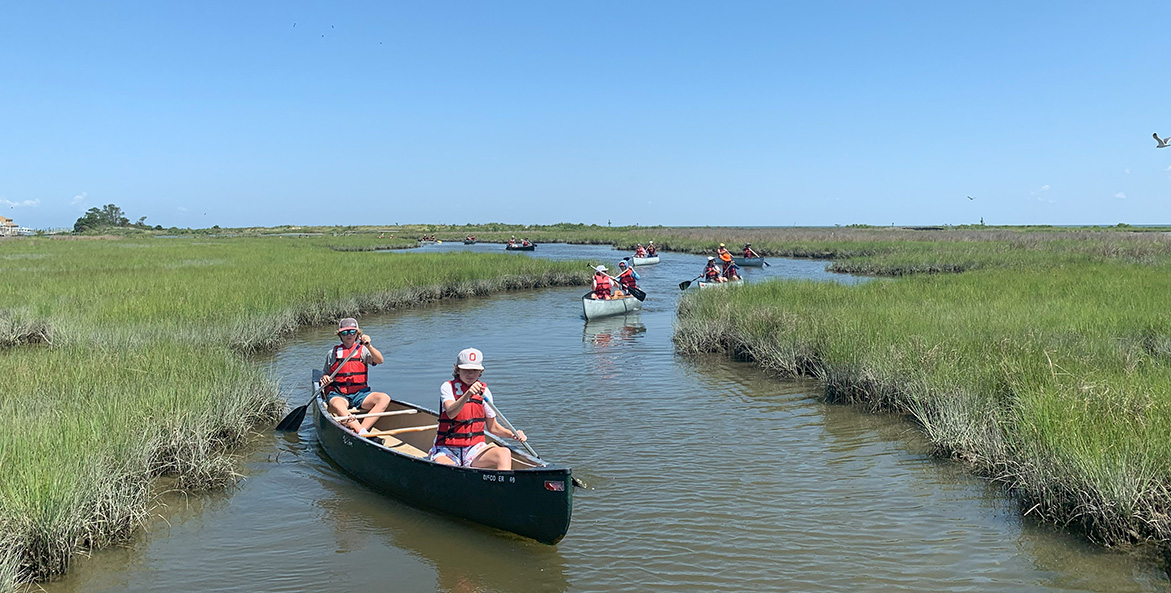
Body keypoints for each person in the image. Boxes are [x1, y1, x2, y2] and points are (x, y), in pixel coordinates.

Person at [430, 348, 527, 469]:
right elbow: (450, 412)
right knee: (445, 467)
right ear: (457, 369)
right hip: (448, 448)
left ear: (480, 372)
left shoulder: (485, 392)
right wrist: (468, 394)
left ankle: (502, 485)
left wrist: (513, 434)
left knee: (504, 453)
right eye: (466, 370)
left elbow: (493, 428)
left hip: (474, 448)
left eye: (474, 370)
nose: (470, 374)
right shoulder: (447, 387)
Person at [320, 318, 391, 436]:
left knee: (384, 398)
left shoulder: (363, 350)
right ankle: (361, 431)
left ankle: (361, 431)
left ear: (357, 334)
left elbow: (380, 360)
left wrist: (369, 346)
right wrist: (325, 378)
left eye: (352, 332)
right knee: (339, 405)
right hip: (339, 394)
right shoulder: (332, 353)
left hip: (360, 394)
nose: (349, 335)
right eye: (344, 332)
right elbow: (325, 373)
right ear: (340, 335)